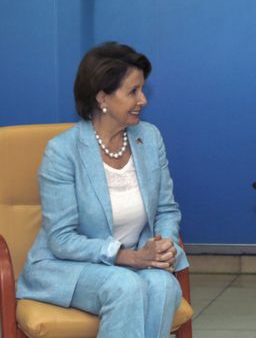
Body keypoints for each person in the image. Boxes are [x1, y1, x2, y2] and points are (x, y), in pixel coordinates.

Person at [17, 42, 188, 338]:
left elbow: (165, 209)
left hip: (137, 261)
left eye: (142, 89)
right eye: (132, 91)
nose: (143, 100)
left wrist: (162, 247)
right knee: (124, 286)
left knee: (162, 285)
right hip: (69, 267)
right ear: (102, 97)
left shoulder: (149, 138)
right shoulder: (63, 151)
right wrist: (129, 257)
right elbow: (61, 239)